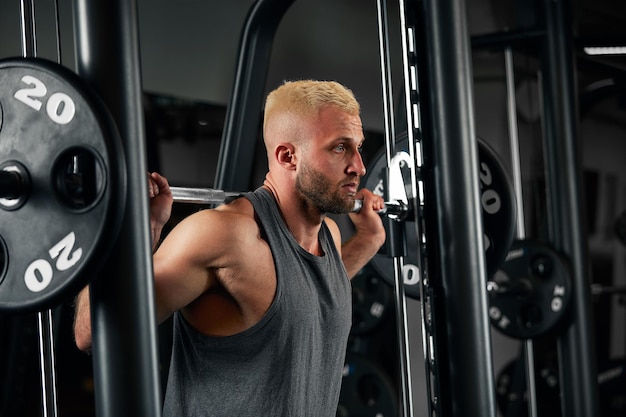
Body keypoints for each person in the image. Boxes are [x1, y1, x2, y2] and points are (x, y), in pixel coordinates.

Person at [73, 79, 387, 416]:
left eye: (358, 147)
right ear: (287, 156)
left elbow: (311, 303)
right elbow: (90, 332)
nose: (359, 165)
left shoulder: (327, 235)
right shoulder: (225, 236)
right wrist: (134, 228)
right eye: (340, 147)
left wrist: (370, 240)